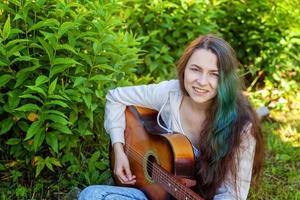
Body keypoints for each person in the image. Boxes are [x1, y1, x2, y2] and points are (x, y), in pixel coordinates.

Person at [79, 34, 264, 200]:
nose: (201, 81)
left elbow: (233, 194)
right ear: (184, 69)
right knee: (91, 195)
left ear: (225, 79)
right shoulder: (171, 94)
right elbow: (115, 97)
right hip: (147, 190)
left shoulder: (241, 127)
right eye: (195, 69)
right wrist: (119, 149)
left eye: (214, 74)